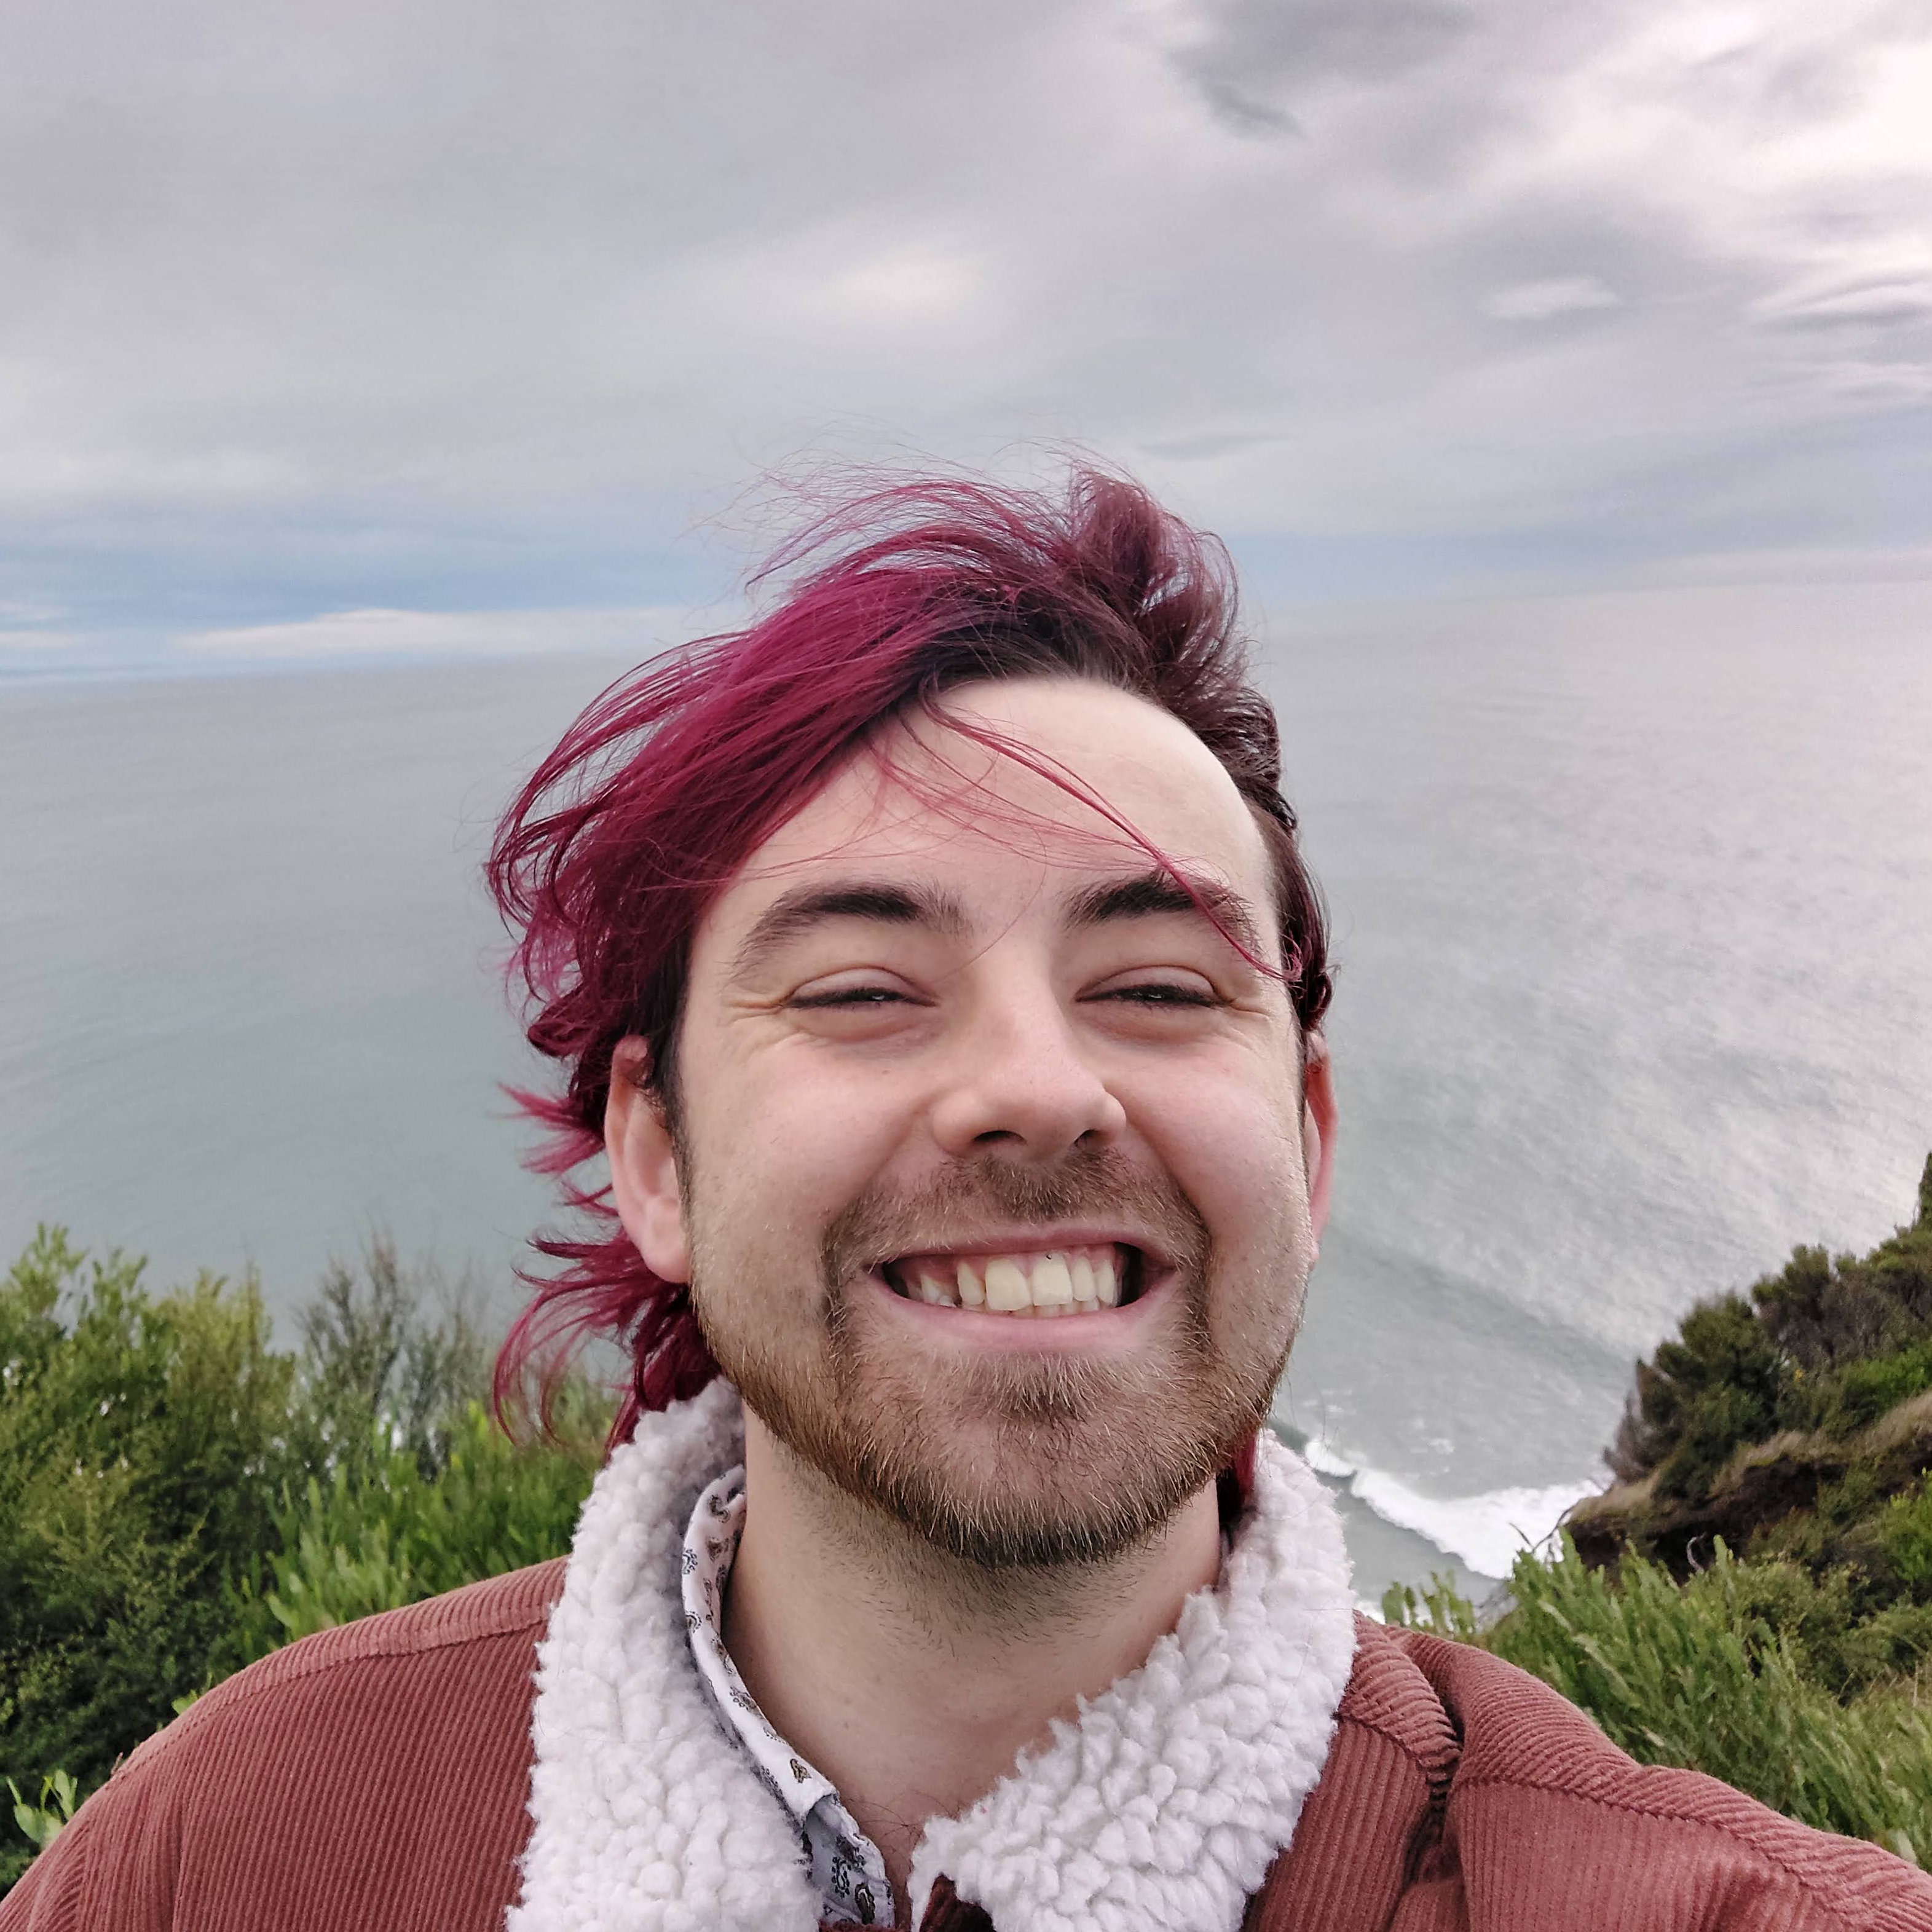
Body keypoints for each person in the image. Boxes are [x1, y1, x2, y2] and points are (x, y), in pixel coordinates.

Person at [6, 470, 1927, 1932]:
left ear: (1313, 1146)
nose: (1032, 1084)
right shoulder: (226, 1857)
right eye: (859, 988)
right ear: (656, 1157)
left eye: (1161, 987)